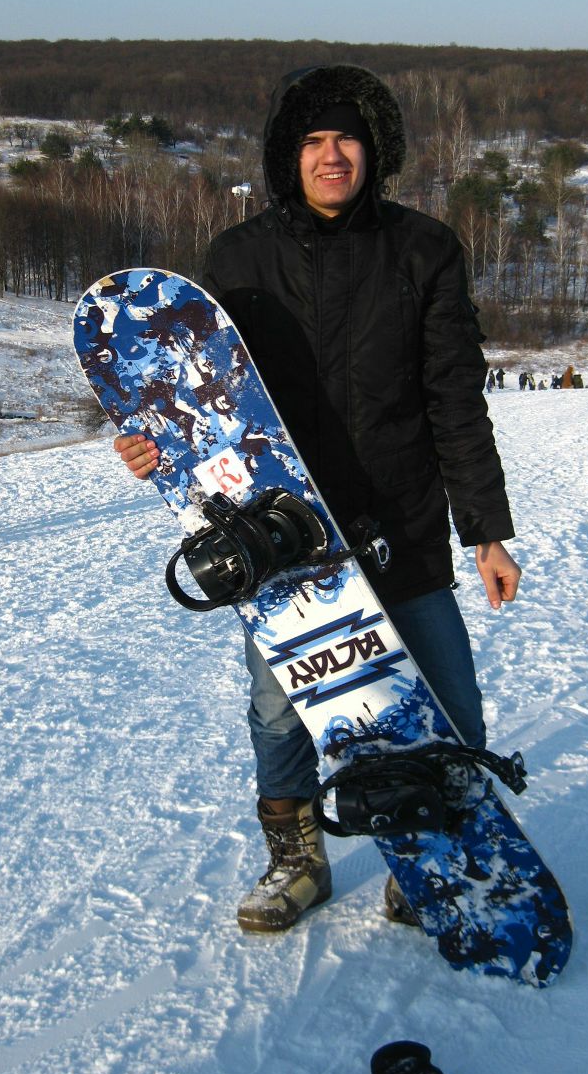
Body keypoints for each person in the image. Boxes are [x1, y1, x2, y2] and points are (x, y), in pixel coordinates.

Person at [114, 64, 520, 935]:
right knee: (279, 713)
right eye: (313, 141)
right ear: (287, 155)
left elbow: (455, 399)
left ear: (374, 152)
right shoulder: (238, 258)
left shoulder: (424, 250)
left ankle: (427, 850)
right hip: (282, 535)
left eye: (346, 140)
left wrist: (486, 531)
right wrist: (155, 446)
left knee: (449, 701)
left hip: (401, 519)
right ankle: (298, 860)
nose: (331, 156)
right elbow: (198, 397)